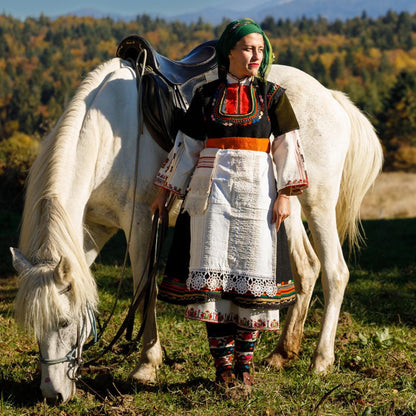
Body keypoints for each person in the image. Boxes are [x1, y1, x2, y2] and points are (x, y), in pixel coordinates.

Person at [151, 18, 308, 390]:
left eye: (260, 49)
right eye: (248, 49)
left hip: (258, 199)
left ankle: (244, 367)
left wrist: (285, 194)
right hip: (210, 200)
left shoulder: (274, 96)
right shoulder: (205, 96)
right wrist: (166, 191)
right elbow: (187, 148)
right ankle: (222, 369)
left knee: (251, 287)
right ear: (229, 53)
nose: (256, 56)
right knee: (215, 287)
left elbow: (288, 148)